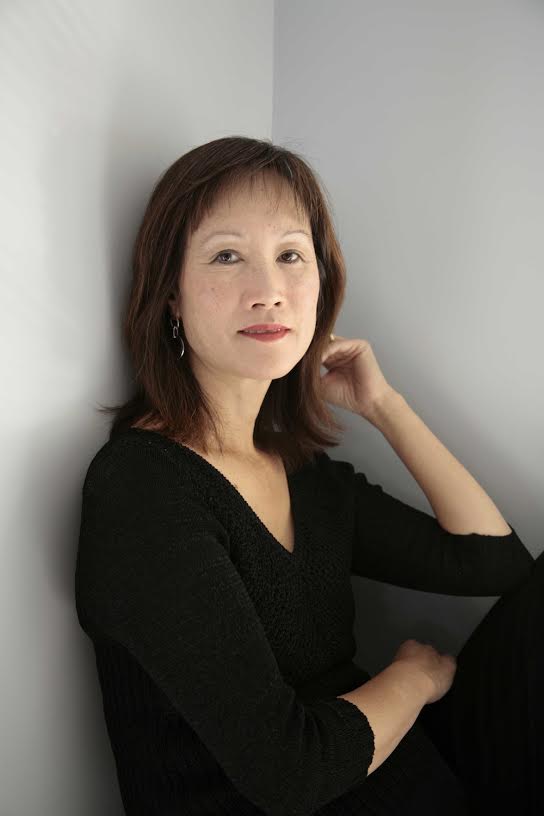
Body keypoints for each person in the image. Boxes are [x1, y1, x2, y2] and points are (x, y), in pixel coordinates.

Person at [75, 135, 541, 815]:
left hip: (410, 776)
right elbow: (287, 775)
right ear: (171, 294)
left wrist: (385, 405)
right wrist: (413, 679)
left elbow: (496, 564)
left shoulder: (305, 474)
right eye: (227, 256)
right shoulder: (143, 488)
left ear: (321, 283)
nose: (268, 292)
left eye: (291, 255)